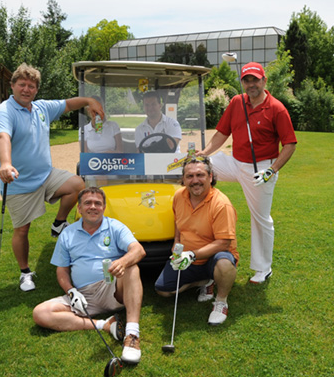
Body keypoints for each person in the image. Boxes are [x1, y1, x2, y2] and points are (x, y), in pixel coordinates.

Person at [0, 63, 102, 292]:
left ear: (36, 90)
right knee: (22, 230)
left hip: (46, 175)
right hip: (19, 181)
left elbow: (69, 104)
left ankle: (58, 223)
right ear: (13, 86)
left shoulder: (41, 108)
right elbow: (3, 137)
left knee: (76, 184)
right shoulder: (5, 110)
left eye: (31, 86)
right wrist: (5, 163)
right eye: (22, 84)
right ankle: (25, 273)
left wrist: (89, 101)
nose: (26, 89)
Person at [198, 62, 297, 284]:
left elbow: (289, 144)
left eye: (255, 79)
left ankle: (263, 269)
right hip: (235, 162)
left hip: (261, 169)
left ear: (264, 81)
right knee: (198, 169)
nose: (251, 84)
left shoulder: (276, 108)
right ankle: (200, 225)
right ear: (242, 82)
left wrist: (272, 171)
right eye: (246, 80)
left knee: (260, 218)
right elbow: (222, 133)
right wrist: (203, 154)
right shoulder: (236, 102)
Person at [33, 187, 146, 364]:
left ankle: (132, 335)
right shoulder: (68, 233)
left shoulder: (115, 226)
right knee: (40, 313)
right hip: (83, 296)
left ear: (103, 207)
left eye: (97, 203)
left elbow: (138, 250)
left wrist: (122, 262)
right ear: (79, 208)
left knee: (132, 268)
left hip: (111, 289)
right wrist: (71, 292)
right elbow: (61, 270)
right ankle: (105, 324)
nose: (93, 207)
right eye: (87, 203)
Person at [155, 156, 239, 325]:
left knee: (223, 263)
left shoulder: (221, 204)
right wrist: (176, 244)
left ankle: (221, 302)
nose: (195, 181)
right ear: (183, 180)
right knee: (163, 290)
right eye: (189, 176)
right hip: (187, 258)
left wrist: (191, 255)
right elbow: (178, 221)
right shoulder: (179, 196)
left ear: (210, 177)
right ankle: (206, 281)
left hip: (212, 258)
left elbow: (224, 243)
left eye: (200, 175)